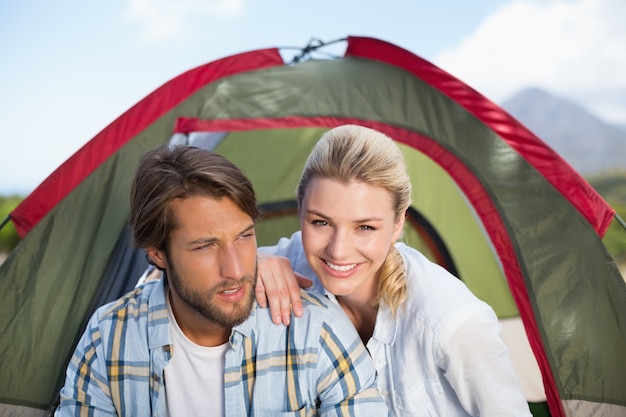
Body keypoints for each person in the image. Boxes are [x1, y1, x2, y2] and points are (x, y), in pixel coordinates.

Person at [55, 145, 389, 417]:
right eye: (205, 246)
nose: (234, 269)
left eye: (244, 237)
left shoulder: (316, 330)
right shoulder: (109, 337)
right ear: (157, 253)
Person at [257, 125, 532, 417]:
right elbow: (209, 263)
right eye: (321, 223)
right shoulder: (291, 260)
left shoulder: (453, 323)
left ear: (398, 224)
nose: (338, 250)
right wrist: (251, 263)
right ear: (301, 213)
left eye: (365, 227)